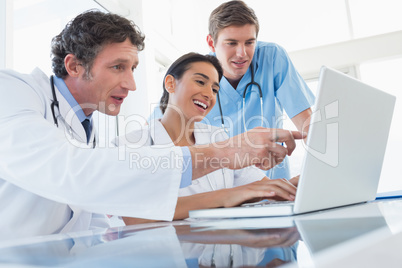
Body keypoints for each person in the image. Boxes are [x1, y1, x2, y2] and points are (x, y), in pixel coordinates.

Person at [0, 10, 303, 240]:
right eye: (118, 67)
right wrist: (223, 156)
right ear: (74, 65)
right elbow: (72, 171)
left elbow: (97, 222)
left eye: (132, 68)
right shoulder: (12, 90)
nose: (131, 84)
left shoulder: (82, 126)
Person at [115, 52, 297, 225]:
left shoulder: (217, 136)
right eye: (200, 82)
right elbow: (136, 214)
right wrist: (227, 196)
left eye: (215, 89)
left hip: (224, 247)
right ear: (170, 83)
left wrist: (310, 179)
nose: (209, 94)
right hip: (170, 251)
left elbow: (266, 189)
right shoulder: (128, 145)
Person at [202, 0, 315, 180]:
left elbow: (309, 126)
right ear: (211, 42)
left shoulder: (272, 57)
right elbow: (161, 133)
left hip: (274, 183)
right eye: (231, 43)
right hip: (224, 189)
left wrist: (317, 172)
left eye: (249, 42)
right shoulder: (197, 73)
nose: (242, 53)